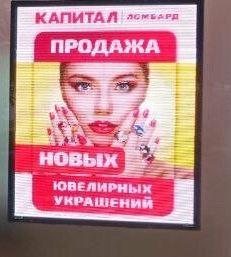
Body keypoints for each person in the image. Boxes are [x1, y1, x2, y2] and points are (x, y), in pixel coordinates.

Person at [46, 60, 193, 180]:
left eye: (123, 86)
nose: (103, 107)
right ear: (62, 89)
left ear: (145, 90)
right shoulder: (31, 179)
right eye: (84, 86)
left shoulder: (187, 180)